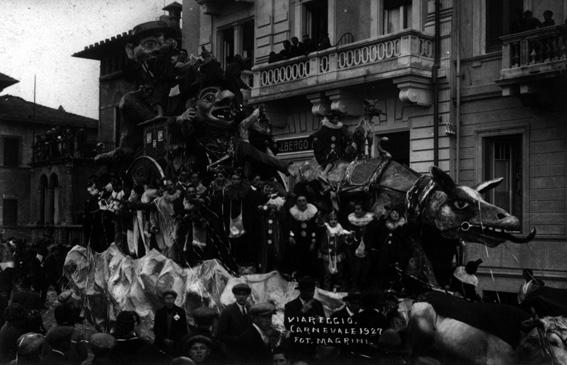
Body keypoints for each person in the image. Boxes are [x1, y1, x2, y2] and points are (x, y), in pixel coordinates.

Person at [284, 276, 325, 360]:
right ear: (302, 291)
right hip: (297, 347)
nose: (311, 293)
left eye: (312, 290)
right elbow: (288, 325)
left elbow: (324, 326)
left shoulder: (317, 304)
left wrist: (320, 321)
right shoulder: (291, 306)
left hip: (313, 348)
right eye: (309, 291)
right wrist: (302, 311)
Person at [310, 110, 352, 181]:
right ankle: (324, 174)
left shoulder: (340, 130)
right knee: (330, 164)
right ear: (330, 119)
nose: (336, 120)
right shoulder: (324, 130)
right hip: (328, 156)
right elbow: (318, 142)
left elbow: (343, 141)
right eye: (334, 118)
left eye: (337, 118)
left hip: (338, 155)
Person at [287, 196, 319, 278]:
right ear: (297, 203)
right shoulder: (293, 213)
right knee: (297, 258)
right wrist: (291, 236)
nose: (302, 203)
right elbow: (290, 227)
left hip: (309, 240)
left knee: (310, 258)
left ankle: (310, 277)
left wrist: (313, 241)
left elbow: (314, 229)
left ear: (307, 202)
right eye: (299, 201)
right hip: (297, 240)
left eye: (303, 200)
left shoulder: (312, 213)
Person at [319, 211, 350, 291]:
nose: (333, 221)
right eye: (331, 219)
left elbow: (343, 243)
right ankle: (326, 290)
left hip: (338, 256)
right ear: (328, 221)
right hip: (327, 256)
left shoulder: (340, 230)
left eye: (335, 219)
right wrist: (327, 251)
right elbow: (322, 244)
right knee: (327, 274)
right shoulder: (325, 231)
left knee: (339, 274)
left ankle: (337, 290)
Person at [346, 203, 375, 290]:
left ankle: (364, 287)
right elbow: (349, 237)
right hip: (355, 250)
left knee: (366, 269)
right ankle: (354, 286)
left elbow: (372, 237)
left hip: (367, 250)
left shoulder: (370, 222)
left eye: (358, 209)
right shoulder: (352, 222)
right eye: (355, 209)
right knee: (355, 269)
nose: (356, 211)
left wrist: (368, 248)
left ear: (363, 210)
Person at [154, 290, 188, 356]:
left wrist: (175, 340)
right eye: (167, 298)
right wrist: (164, 339)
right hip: (161, 342)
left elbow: (183, 328)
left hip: (176, 343)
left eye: (171, 298)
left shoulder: (180, 311)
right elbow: (156, 328)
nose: (169, 300)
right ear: (164, 299)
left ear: (174, 299)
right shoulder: (159, 312)